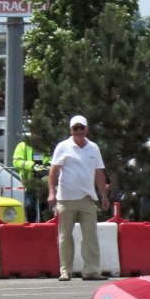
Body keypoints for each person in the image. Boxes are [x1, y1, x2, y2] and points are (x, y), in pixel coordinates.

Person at [48, 114, 108, 281]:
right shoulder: (63, 147)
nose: (79, 131)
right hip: (66, 198)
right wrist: (51, 193)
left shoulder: (93, 148)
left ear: (87, 129)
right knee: (65, 236)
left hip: (87, 198)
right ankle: (65, 271)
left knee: (90, 236)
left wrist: (103, 195)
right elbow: (53, 172)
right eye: (75, 128)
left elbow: (99, 173)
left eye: (82, 127)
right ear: (70, 130)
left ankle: (91, 270)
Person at [11, 130, 49, 223]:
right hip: (29, 182)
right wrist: (32, 166)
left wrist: (47, 166)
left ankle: (44, 227)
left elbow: (52, 159)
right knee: (29, 206)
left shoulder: (46, 146)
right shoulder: (22, 146)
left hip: (44, 182)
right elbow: (16, 162)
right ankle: (31, 225)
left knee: (44, 208)